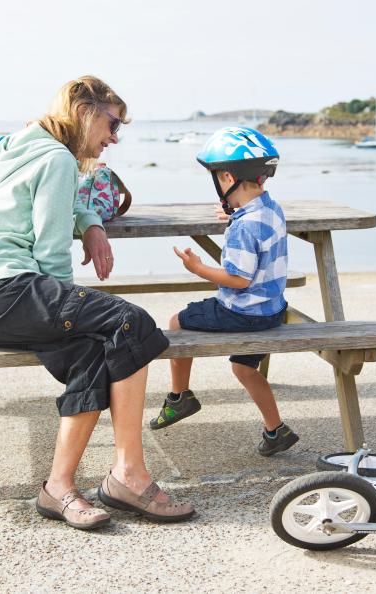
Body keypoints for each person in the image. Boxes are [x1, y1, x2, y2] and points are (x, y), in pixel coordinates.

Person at [0, 76, 194, 530]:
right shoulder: (57, 159)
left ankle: (58, 488)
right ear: (84, 111)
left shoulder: (24, 146)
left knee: (92, 353)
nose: (114, 137)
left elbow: (54, 206)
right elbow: (49, 253)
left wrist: (90, 220)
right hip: (5, 290)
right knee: (132, 322)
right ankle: (129, 475)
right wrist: (70, 302)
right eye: (112, 123)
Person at [151, 127, 299, 457]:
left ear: (228, 177)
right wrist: (234, 216)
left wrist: (198, 268)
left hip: (241, 312)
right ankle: (276, 429)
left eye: (218, 176)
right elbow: (253, 229)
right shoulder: (270, 209)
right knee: (244, 368)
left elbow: (238, 279)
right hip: (271, 310)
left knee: (176, 322)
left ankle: (180, 397)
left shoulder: (244, 227)